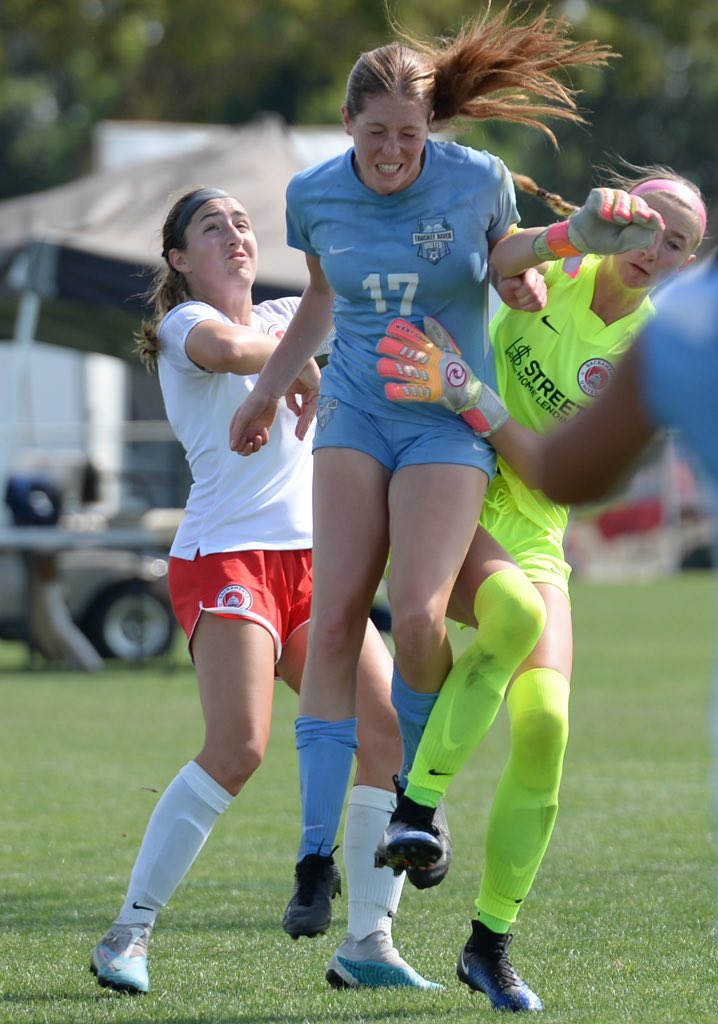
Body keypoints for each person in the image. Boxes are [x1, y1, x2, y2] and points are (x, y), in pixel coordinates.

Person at [226, 3, 665, 1002]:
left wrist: (567, 237)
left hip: (447, 434)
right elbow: (325, 300)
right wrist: (263, 389)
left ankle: (422, 813)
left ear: (437, 135)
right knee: (335, 620)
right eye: (374, 132)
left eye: (409, 135)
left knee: (434, 628)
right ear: (347, 126)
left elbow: (506, 260)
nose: (391, 151)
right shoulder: (312, 196)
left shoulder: (481, 187)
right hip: (353, 416)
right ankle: (312, 860)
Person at [89, 187, 443, 995]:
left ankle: (367, 943)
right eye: (212, 227)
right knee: (240, 747)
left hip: (320, 563)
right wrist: (300, 367)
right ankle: (127, 934)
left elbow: (373, 308)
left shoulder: (293, 313)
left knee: (391, 740)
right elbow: (230, 351)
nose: (235, 234)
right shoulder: (185, 327)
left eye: (244, 223)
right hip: (226, 559)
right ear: (179, 259)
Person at [376, 168, 708, 1010]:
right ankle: (416, 808)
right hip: (449, 486)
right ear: (620, 212)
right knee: (514, 616)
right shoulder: (555, 264)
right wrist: (511, 269)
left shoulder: (658, 348)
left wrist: (474, 393)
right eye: (651, 228)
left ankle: (488, 946)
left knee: (548, 727)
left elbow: (561, 482)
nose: (657, 252)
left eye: (682, 246)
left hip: (533, 525)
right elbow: (489, 254)